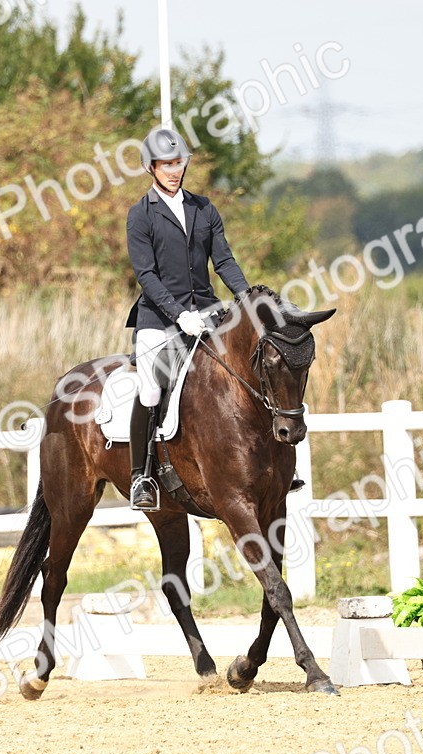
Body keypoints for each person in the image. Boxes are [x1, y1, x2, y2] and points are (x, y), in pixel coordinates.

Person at [124, 127, 251, 511]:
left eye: (178, 163)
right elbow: (146, 276)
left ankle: (262, 462)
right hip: (158, 319)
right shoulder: (140, 215)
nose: (173, 170)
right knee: (149, 388)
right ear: (151, 167)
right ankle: (141, 476)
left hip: (208, 311)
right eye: (166, 164)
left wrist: (246, 299)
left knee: (243, 372)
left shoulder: (203, 208)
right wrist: (179, 315)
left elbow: (223, 260)